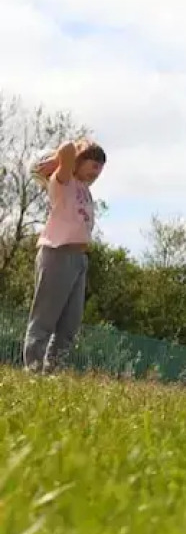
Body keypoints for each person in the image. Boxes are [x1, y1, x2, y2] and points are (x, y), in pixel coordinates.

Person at [24, 138, 107, 374]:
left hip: (80, 258)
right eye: (92, 166)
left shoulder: (84, 190)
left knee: (70, 323)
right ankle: (33, 370)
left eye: (99, 171)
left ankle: (52, 370)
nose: (95, 174)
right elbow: (68, 148)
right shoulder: (63, 181)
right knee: (45, 319)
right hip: (58, 253)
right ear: (78, 163)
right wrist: (64, 158)